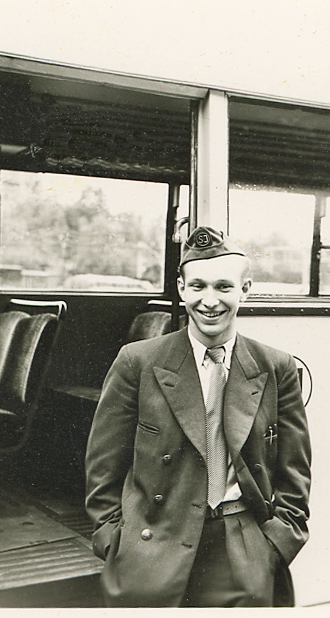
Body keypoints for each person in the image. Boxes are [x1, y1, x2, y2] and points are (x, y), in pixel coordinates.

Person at [85, 226, 311, 607]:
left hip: (243, 554)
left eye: (224, 287)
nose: (210, 301)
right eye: (198, 286)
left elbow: (295, 474)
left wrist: (274, 545)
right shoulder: (138, 362)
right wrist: (115, 543)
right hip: (151, 551)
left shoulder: (277, 368)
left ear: (245, 290)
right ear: (181, 288)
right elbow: (102, 469)